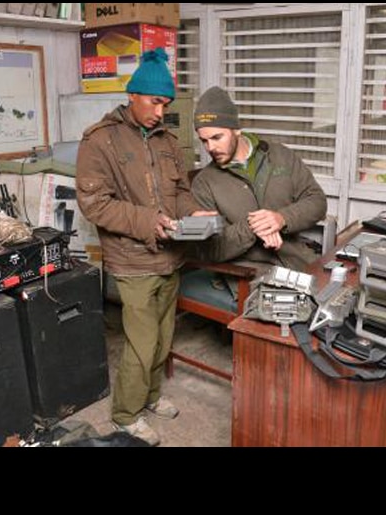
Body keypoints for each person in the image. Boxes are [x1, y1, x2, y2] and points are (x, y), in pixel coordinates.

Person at [76, 48, 213, 447]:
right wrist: (148, 221)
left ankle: (150, 398)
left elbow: (180, 192)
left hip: (171, 256)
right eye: (155, 102)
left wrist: (196, 213)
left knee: (165, 334)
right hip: (132, 259)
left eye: (166, 104)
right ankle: (125, 415)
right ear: (132, 94)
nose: (160, 111)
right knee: (141, 342)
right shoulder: (99, 141)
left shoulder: (167, 140)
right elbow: (95, 204)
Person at [191, 85, 327, 272]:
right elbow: (209, 249)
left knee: (340, 295)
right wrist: (251, 227)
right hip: (250, 273)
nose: (210, 148)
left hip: (298, 261)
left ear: (236, 129)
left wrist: (281, 218)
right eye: (204, 141)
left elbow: (318, 202)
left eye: (217, 137)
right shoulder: (204, 183)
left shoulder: (281, 155)